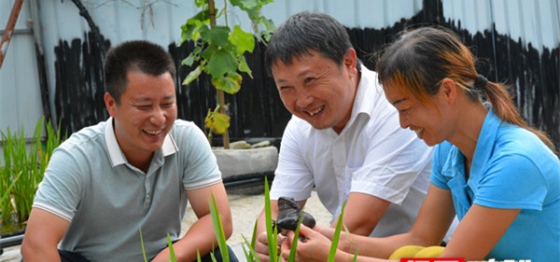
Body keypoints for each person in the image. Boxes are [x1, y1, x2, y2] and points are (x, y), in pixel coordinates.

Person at [279, 26, 560, 261]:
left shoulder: (516, 160)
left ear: (447, 91)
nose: (402, 123)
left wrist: (333, 256)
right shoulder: (449, 152)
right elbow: (420, 237)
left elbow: (454, 259)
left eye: (406, 108)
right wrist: (326, 238)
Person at [21, 40, 238, 262]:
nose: (158, 118)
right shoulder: (76, 157)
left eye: (167, 104)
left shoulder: (187, 139)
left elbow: (218, 218)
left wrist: (168, 259)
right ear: (111, 104)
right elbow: (37, 246)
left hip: (160, 257)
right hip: (91, 259)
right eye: (144, 106)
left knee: (220, 255)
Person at [254, 11, 443, 261]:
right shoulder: (298, 128)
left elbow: (355, 224)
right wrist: (267, 241)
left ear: (349, 62)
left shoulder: (394, 110)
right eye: (286, 88)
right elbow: (277, 208)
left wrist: (305, 250)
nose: (302, 101)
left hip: (427, 252)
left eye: (310, 80)